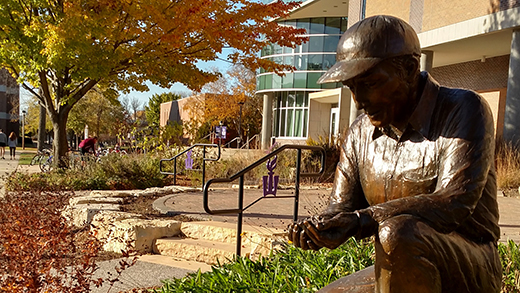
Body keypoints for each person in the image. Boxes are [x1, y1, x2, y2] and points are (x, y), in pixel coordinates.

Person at [288, 15, 501, 292]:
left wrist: (363, 219)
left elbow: (453, 203)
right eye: (352, 87)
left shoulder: (464, 110)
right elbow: (342, 208)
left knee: (398, 232)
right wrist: (318, 229)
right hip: (402, 259)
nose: (359, 100)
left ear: (410, 69)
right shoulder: (360, 133)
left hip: (467, 264)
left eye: (370, 83)